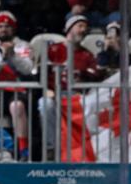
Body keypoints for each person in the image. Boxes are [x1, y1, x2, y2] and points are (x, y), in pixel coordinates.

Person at [39, 15, 101, 158]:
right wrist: (47, 90)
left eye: (85, 27)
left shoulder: (87, 55)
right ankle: (52, 148)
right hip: (54, 93)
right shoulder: (53, 50)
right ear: (69, 28)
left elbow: (95, 76)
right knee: (45, 104)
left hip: (77, 96)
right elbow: (42, 74)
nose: (83, 30)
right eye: (80, 26)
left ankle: (82, 150)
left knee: (88, 105)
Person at [0, 11, 33, 161]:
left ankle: (24, 151)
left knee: (17, 106)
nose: (3, 29)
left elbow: (28, 68)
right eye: (0, 26)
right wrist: (3, 58)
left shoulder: (23, 46)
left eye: (7, 26)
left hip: (16, 88)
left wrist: (13, 55)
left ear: (13, 29)